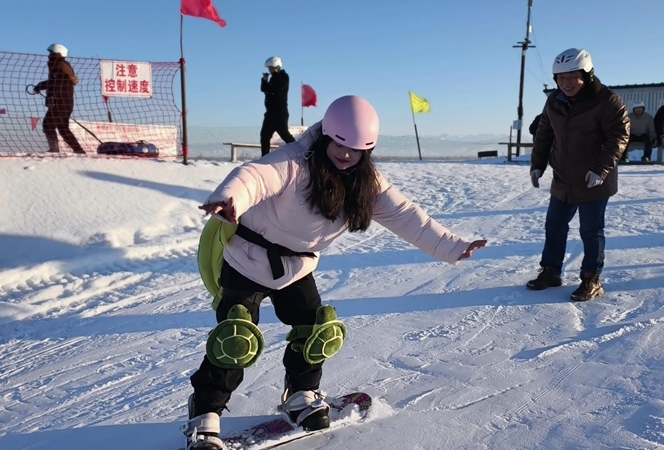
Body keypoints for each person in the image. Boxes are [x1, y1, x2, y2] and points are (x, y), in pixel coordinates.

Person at [182, 95, 488, 449]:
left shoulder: (366, 182)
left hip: (295, 267)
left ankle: (300, 395)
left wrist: (452, 246)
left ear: (367, 150)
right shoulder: (295, 161)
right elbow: (254, 177)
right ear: (327, 135)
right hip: (246, 259)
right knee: (234, 340)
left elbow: (407, 216)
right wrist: (229, 197)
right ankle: (204, 412)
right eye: (340, 144)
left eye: (356, 149)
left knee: (317, 332)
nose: (345, 154)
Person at [527, 48, 630, 302]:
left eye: (572, 77)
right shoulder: (554, 101)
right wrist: (537, 164)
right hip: (563, 178)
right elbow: (544, 134)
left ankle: (591, 278)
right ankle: (551, 271)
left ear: (587, 74)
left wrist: (600, 169)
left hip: (594, 179)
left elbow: (619, 135)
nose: (566, 83)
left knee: (591, 230)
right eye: (561, 78)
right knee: (554, 226)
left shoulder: (607, 100)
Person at [33, 43, 86, 154]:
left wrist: (51, 96)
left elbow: (56, 85)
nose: (48, 56)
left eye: (50, 53)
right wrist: (40, 86)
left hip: (59, 103)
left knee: (48, 125)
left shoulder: (58, 65)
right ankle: (78, 150)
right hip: (64, 103)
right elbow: (55, 83)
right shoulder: (61, 65)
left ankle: (54, 149)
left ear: (57, 54)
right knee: (63, 128)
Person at [259, 56, 296, 157]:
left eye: (270, 67)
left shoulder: (283, 77)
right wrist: (265, 80)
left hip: (279, 113)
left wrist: (268, 84)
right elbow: (264, 89)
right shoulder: (273, 78)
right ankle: (265, 158)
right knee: (264, 136)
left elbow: (273, 89)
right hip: (270, 113)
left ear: (276, 66)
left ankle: (299, 152)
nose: (269, 70)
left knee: (285, 135)